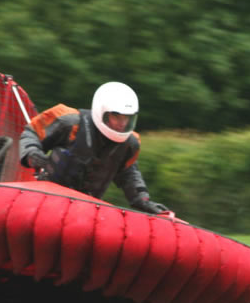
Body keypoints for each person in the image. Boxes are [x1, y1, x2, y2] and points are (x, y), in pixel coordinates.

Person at [19, 82, 168, 214]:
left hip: (85, 210)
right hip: (46, 198)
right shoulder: (70, 122)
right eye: (117, 116)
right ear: (101, 111)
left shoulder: (129, 144)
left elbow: (129, 174)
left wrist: (142, 199)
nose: (122, 123)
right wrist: (32, 153)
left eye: (126, 118)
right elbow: (32, 131)